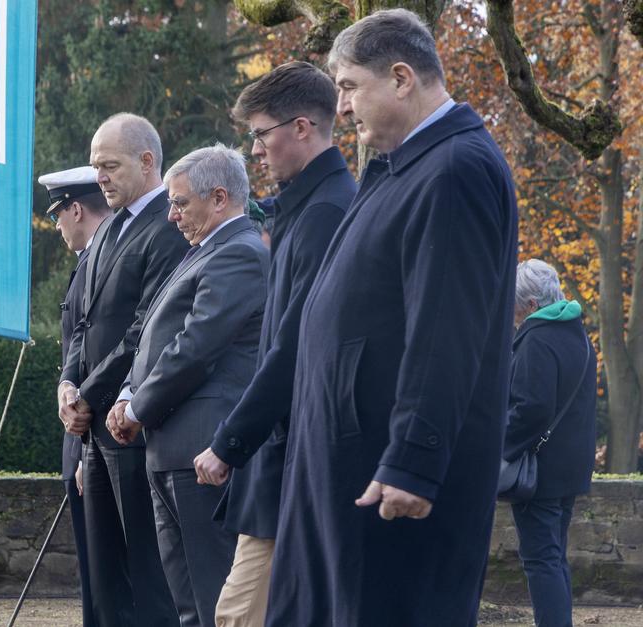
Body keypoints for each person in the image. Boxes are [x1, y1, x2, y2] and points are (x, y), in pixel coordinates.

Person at [265, 9, 519, 626]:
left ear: (401, 77)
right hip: (349, 469)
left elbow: (446, 331)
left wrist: (413, 460)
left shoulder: (455, 170)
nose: (343, 108)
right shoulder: (404, 168)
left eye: (350, 87)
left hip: (388, 485)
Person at [189, 61, 355, 627]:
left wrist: (230, 443)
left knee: (238, 616)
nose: (254, 150)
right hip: (283, 453)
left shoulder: (326, 213)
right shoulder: (309, 207)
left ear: (302, 128)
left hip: (295, 454)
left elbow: (294, 346)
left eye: (261, 134)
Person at [105, 144, 268, 627]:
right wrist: (127, 393)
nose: (172, 215)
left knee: (215, 598)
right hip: (171, 448)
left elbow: (196, 346)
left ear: (219, 198)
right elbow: (157, 336)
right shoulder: (205, 251)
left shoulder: (239, 252)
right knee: (189, 605)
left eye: (180, 203)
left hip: (202, 450)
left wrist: (137, 408)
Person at [58, 112, 187, 627]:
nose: (100, 177)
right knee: (105, 576)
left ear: (147, 161)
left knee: (147, 576)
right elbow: (83, 322)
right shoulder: (109, 228)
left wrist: (88, 394)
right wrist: (69, 383)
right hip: (94, 430)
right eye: (95, 166)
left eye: (109, 165)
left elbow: (146, 327)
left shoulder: (169, 228)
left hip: (133, 428)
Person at [37, 164, 111, 627]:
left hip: (97, 440)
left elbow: (103, 356)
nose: (59, 224)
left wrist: (87, 452)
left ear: (76, 209)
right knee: (95, 580)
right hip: (85, 439)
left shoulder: (99, 264)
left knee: (105, 579)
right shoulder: (90, 263)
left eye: (58, 214)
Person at [505, 259, 597, 627]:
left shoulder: (537, 339)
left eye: (513, 302)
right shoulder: (577, 335)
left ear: (530, 305)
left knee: (541, 560)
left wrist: (500, 449)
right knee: (554, 556)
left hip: (539, 471)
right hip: (569, 467)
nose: (508, 310)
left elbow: (532, 408)